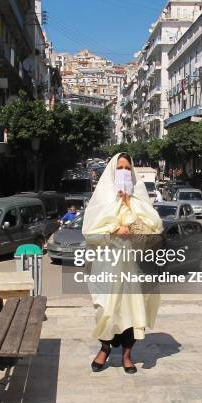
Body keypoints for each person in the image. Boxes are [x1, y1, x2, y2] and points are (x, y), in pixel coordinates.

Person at [82, 153, 163, 374]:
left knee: (133, 310)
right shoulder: (101, 200)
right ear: (112, 171)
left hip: (134, 267)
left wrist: (132, 216)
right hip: (107, 265)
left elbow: (154, 229)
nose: (124, 172)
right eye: (120, 168)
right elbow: (90, 233)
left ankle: (128, 354)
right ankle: (105, 348)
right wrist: (113, 230)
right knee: (105, 309)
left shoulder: (139, 199)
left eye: (128, 168)